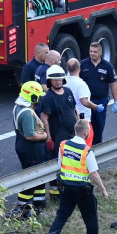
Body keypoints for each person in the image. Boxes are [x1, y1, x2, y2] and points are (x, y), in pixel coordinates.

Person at [43, 118, 108, 234]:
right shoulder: (86, 151)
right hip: (82, 189)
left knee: (61, 215)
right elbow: (94, 173)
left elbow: (60, 164)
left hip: (66, 187)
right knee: (90, 218)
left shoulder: (63, 145)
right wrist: (103, 189)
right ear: (85, 133)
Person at [38, 64, 78, 195]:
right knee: (58, 162)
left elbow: (74, 109)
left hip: (72, 133)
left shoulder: (68, 91)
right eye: (54, 79)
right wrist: (49, 138)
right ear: (50, 81)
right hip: (57, 135)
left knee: (71, 160)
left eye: (59, 78)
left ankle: (70, 186)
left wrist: (79, 126)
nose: (57, 81)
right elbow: (44, 118)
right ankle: (56, 192)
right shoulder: (47, 97)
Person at [13, 81, 49, 218]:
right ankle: (23, 207)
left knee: (37, 175)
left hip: (23, 146)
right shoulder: (27, 113)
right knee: (31, 177)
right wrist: (45, 136)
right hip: (31, 148)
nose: (39, 99)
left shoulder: (18, 106)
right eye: (38, 96)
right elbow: (30, 135)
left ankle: (38, 204)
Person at [79, 42, 117, 145]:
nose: (92, 54)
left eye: (95, 52)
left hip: (101, 101)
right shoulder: (83, 65)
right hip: (87, 101)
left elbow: (113, 84)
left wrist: (116, 101)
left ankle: (98, 145)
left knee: (99, 125)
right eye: (90, 51)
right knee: (86, 125)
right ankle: (87, 145)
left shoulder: (107, 66)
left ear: (101, 52)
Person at [65, 57, 99, 145]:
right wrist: (96, 107)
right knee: (85, 147)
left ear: (67, 68)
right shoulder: (81, 84)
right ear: (79, 68)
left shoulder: (64, 82)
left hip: (69, 118)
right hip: (83, 121)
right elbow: (84, 101)